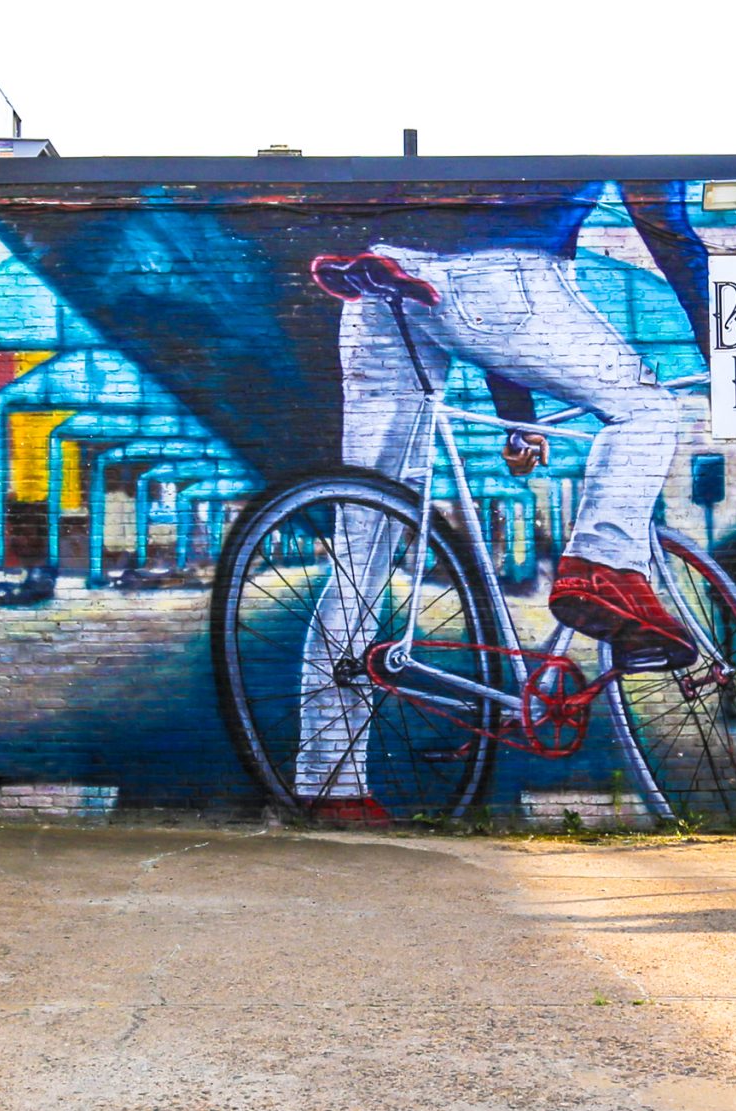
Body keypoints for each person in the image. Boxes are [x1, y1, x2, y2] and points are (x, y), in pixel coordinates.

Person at [295, 183, 712, 820]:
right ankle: (601, 564)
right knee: (648, 411)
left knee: (361, 550)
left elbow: (489, 290)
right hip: (498, 281)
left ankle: (329, 784)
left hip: (385, 281)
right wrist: (732, 350)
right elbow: (665, 226)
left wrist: (519, 419)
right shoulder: (624, 116)